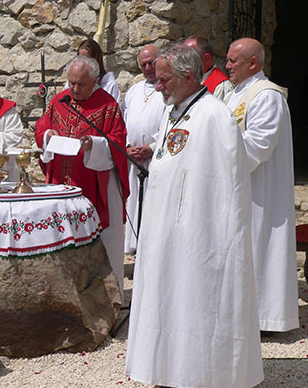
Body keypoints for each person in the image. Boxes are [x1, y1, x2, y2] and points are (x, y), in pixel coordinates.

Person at [125, 44, 263, 388]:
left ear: (188, 77)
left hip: (199, 236)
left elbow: (225, 184)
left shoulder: (215, 116)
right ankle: (168, 368)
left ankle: (201, 373)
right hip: (164, 233)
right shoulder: (175, 112)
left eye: (164, 79)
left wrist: (212, 236)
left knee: (196, 303)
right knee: (168, 300)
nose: (158, 87)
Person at [35, 56, 129, 294]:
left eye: (80, 84)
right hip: (61, 186)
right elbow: (41, 126)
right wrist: (48, 135)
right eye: (71, 83)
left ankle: (107, 300)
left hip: (93, 187)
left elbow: (117, 142)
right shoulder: (59, 101)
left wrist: (94, 145)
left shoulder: (107, 106)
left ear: (95, 81)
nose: (74, 89)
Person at [225, 37, 298, 333]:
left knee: (261, 246)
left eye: (233, 60)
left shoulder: (266, 96)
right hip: (242, 188)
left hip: (261, 190)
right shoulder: (237, 94)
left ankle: (264, 319)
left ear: (252, 63)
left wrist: (218, 149)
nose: (226, 65)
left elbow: (258, 145)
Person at [120, 45, 165, 254]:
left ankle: (152, 250)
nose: (147, 68)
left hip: (157, 159)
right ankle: (136, 247)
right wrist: (127, 147)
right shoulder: (134, 90)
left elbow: (171, 122)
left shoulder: (168, 88)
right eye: (143, 64)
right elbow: (124, 120)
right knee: (136, 205)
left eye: (152, 63)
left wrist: (152, 147)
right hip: (134, 161)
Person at [184, 35, 235, 100]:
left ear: (206, 58)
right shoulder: (187, 81)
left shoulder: (221, 87)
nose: (183, 62)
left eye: (188, 57)